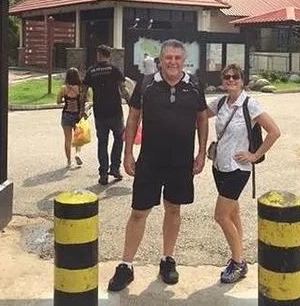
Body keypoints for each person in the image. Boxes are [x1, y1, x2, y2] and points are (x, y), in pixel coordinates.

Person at [108, 39, 209, 292]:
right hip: (150, 161)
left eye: (177, 57)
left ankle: (167, 259)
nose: (173, 62)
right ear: (161, 60)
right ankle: (126, 265)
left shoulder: (194, 85)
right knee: (138, 212)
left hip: (181, 162)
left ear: (184, 60)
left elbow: (202, 119)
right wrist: (127, 153)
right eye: (168, 58)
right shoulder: (147, 84)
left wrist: (201, 152)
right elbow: (133, 118)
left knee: (173, 210)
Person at [206, 64, 281, 284]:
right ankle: (240, 256)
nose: (231, 80)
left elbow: (274, 132)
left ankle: (237, 262)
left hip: (238, 169)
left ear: (242, 80)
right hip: (219, 166)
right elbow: (198, 115)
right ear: (222, 81)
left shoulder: (250, 104)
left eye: (235, 77)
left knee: (221, 216)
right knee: (233, 213)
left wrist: (255, 155)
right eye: (227, 77)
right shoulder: (220, 103)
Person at [82, 45, 132, 185]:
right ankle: (115, 167)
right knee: (119, 139)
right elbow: (123, 90)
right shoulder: (114, 70)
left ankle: (103, 174)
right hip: (115, 111)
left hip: (100, 113)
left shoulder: (91, 71)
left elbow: (83, 91)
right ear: (109, 56)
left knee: (102, 143)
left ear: (98, 55)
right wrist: (131, 105)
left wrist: (81, 109)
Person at [57, 68, 85, 167]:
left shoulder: (63, 88)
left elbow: (58, 101)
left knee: (67, 139)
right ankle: (77, 154)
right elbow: (85, 100)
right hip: (77, 115)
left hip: (66, 114)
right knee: (78, 137)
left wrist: (65, 100)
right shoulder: (80, 88)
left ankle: (69, 161)